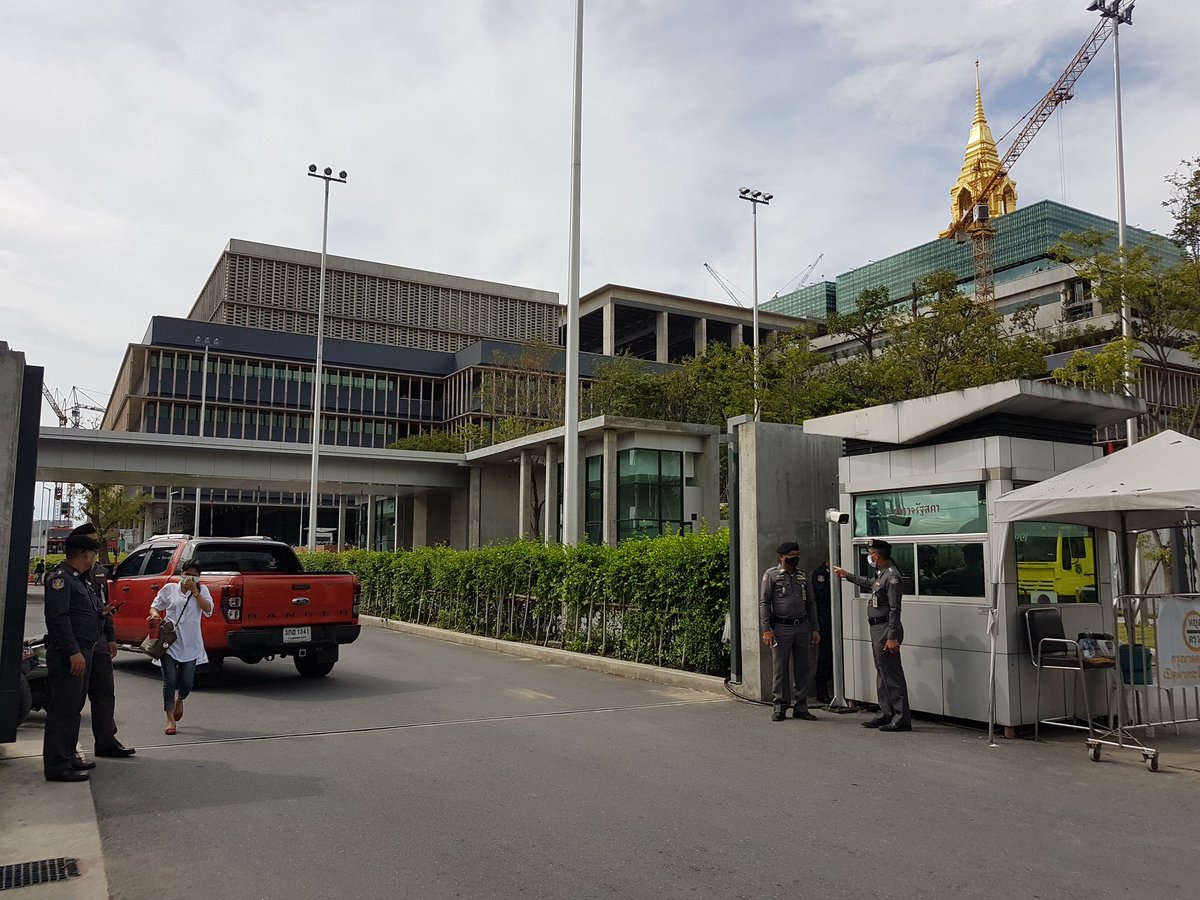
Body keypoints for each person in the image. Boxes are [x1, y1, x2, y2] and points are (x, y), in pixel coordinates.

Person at [42, 524, 104, 782]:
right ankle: (57, 765)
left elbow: (78, 613)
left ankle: (68, 756)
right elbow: (58, 618)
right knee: (62, 710)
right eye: (93, 554)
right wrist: (73, 652)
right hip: (70, 655)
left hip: (82, 652)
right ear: (85, 554)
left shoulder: (78, 580)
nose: (94, 559)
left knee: (73, 709)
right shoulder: (61, 578)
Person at [833, 538, 911, 733]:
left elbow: (895, 609)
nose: (869, 557)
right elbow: (869, 583)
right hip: (878, 628)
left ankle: (901, 718)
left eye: (870, 554)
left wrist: (892, 636)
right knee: (882, 672)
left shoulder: (892, 577)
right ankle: (886, 713)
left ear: (877, 555)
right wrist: (847, 575)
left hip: (886, 629)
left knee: (892, 674)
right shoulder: (881, 574)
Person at [149, 559, 213, 735]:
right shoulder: (170, 589)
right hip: (169, 643)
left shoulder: (202, 590)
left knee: (186, 683)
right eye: (187, 574)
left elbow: (208, 610)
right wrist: (154, 616)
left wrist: (195, 592)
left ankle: (180, 699)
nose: (191, 578)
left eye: (195, 576)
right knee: (169, 681)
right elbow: (155, 606)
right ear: (181, 574)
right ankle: (170, 719)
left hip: (191, 644)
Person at [759, 541, 820, 722]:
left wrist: (815, 628)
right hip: (781, 627)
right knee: (781, 668)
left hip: (801, 627)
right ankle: (780, 706)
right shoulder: (772, 575)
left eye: (797, 556)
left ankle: (801, 706)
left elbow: (811, 604)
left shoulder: (802, 576)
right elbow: (764, 603)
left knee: (803, 667)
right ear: (782, 557)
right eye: (792, 556)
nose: (796, 559)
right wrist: (766, 630)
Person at [86, 561, 136, 759]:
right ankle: (67, 750)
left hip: (100, 642)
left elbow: (105, 606)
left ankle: (107, 742)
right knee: (74, 700)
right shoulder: (66, 575)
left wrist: (111, 637)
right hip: (79, 643)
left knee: (105, 694)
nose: (93, 554)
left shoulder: (99, 573)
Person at [811, 560, 833, 704]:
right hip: (824, 620)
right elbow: (822, 595)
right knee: (825, 654)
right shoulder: (821, 573)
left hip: (834, 619)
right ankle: (821, 690)